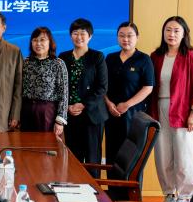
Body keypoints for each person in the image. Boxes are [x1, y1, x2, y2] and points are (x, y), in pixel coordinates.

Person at [149, 16, 193, 202]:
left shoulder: (191, 56)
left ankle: (185, 196)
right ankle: (169, 192)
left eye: (176, 30)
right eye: (168, 30)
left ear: (184, 33)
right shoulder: (155, 56)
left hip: (183, 110)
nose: (171, 34)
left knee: (185, 155)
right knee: (163, 155)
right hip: (159, 109)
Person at [59, 18, 108, 176]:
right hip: (70, 115)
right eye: (75, 33)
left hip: (92, 115)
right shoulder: (63, 57)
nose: (79, 37)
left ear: (90, 36)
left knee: (93, 159)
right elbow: (59, 86)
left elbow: (102, 87)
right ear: (70, 35)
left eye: (83, 33)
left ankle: (94, 189)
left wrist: (83, 104)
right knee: (73, 158)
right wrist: (67, 106)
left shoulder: (97, 57)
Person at [104, 22, 154, 165]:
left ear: (137, 37)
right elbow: (102, 85)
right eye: (121, 35)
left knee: (131, 158)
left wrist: (127, 104)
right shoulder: (110, 58)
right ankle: (112, 181)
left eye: (129, 36)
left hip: (134, 115)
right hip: (111, 113)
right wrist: (108, 103)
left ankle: (131, 182)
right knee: (112, 156)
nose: (125, 39)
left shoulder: (144, 59)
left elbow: (148, 87)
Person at [21, 26, 68, 136]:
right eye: (35, 40)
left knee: (46, 143)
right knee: (26, 143)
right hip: (26, 109)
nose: (38, 43)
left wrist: (60, 120)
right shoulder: (25, 62)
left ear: (50, 42)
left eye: (42, 40)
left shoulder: (58, 63)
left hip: (47, 111)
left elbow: (64, 93)